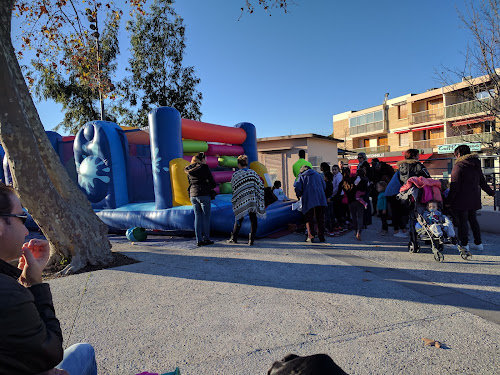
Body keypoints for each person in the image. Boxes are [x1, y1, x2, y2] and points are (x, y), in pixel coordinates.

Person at [0, 183, 97, 375]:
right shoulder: (6, 293)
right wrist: (34, 285)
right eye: (22, 218)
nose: (27, 231)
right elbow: (50, 352)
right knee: (83, 352)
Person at [449, 145, 495, 252]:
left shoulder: (459, 166)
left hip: (461, 199)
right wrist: (491, 192)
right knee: (473, 220)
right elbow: (482, 182)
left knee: (462, 222)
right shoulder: (476, 164)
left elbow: (454, 186)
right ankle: (478, 243)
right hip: (474, 198)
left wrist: (448, 201)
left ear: (459, 154)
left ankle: (464, 244)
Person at [227, 155, 266, 246]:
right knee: (253, 219)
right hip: (252, 199)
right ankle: (251, 240)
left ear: (238, 164)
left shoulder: (236, 174)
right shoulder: (253, 173)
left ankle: (234, 238)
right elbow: (260, 184)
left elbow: (234, 187)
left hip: (241, 199)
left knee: (239, 218)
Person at [185, 152, 217, 247]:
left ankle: (198, 240)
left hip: (193, 194)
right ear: (202, 159)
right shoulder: (204, 168)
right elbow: (212, 182)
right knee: (206, 217)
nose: (206, 161)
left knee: (197, 217)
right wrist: (212, 185)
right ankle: (206, 238)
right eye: (205, 159)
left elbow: (190, 182)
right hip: (203, 194)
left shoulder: (189, 169)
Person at [294, 165, 327, 243]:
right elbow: (324, 186)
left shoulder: (302, 176)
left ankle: (311, 236)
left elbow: (298, 187)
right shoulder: (318, 175)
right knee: (320, 218)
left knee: (309, 218)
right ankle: (321, 236)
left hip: (309, 199)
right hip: (320, 198)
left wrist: (299, 195)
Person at [342, 168, 368, 241]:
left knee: (353, 217)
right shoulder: (354, 179)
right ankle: (359, 231)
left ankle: (355, 230)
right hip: (358, 200)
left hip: (350, 201)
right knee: (360, 216)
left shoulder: (343, 183)